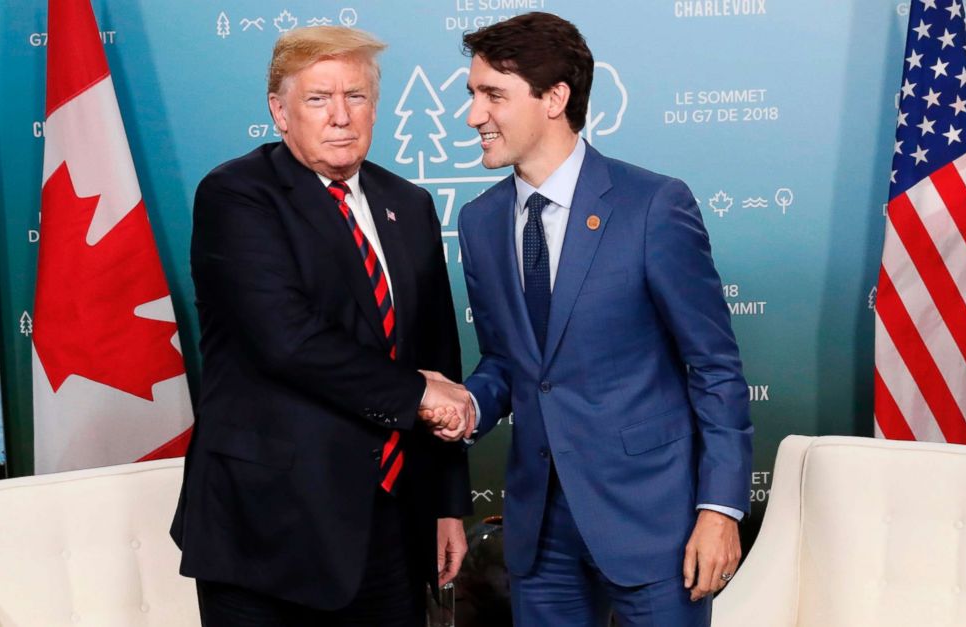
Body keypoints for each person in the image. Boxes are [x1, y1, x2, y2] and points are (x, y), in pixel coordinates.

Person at [448, 12, 753, 626]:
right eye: (473, 95)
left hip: (656, 525)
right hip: (541, 533)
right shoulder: (479, 222)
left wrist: (720, 510)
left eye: (492, 96)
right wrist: (469, 406)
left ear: (555, 98)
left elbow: (714, 367)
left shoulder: (652, 207)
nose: (473, 115)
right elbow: (510, 362)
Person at [170, 26, 476, 627]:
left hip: (390, 524)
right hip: (269, 532)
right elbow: (288, 340)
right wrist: (418, 393)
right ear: (279, 112)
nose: (341, 116)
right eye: (318, 99)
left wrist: (445, 505)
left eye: (356, 96)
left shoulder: (408, 203)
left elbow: (438, 350)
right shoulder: (237, 196)